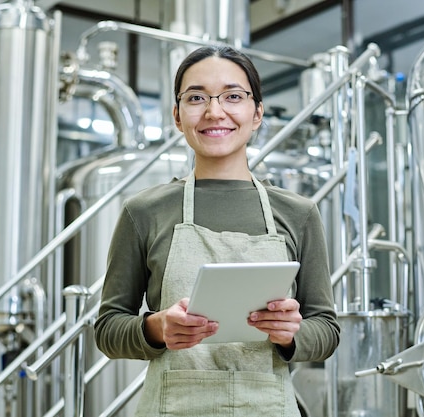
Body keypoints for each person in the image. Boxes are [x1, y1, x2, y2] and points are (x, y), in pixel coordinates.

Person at [94, 45, 340, 417]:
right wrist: (156, 328)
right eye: (196, 98)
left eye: (233, 96)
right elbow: (108, 328)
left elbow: (327, 329)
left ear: (256, 113)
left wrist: (291, 333)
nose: (214, 111)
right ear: (177, 116)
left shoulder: (298, 213)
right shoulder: (143, 211)